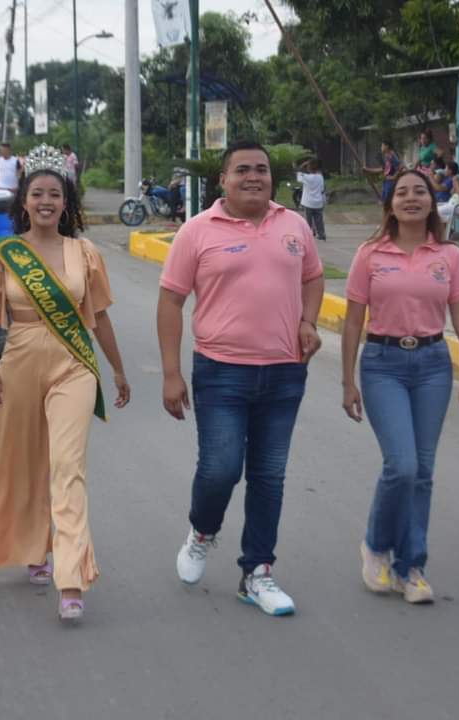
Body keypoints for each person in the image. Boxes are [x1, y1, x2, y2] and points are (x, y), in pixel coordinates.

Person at [158, 139, 324, 617]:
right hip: (220, 371)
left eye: (262, 170)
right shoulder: (197, 231)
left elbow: (313, 277)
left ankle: (257, 572)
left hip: (285, 370)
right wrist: (171, 374)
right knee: (221, 469)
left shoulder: (294, 225)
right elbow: (170, 301)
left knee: (269, 475)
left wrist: (308, 321)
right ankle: (202, 531)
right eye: (243, 170)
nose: (254, 177)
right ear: (223, 180)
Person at [0, 144, 130, 623]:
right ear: (24, 200)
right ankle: (32, 548)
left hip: (72, 364)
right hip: (19, 359)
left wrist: (118, 368)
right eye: (38, 193)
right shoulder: (5, 254)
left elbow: (98, 316)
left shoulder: (84, 253)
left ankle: (71, 576)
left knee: (67, 465)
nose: (46, 201)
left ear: (66, 202)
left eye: (55, 194)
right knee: (23, 461)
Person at [340, 170, 459, 605]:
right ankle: (376, 545)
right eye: (402, 193)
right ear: (390, 205)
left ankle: (411, 567)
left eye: (420, 192)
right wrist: (348, 381)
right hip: (383, 364)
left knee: (423, 471)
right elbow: (352, 321)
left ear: (432, 201)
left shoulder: (449, 255)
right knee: (402, 465)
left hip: (432, 366)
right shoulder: (370, 253)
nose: (411, 198)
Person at [296, 158, 327, 241]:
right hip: (318, 202)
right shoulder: (320, 177)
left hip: (308, 202)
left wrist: (303, 165)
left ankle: (308, 234)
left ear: (309, 167)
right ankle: (321, 234)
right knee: (319, 220)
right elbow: (322, 189)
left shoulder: (306, 177)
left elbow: (298, 172)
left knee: (308, 220)